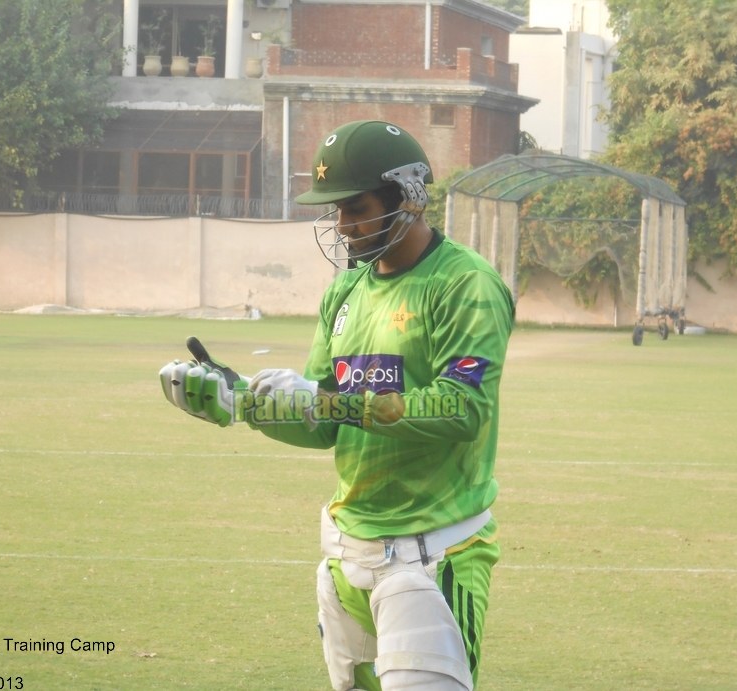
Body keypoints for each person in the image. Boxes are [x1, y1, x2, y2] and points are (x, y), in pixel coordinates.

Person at [159, 120, 515, 691]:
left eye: (356, 208)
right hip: (346, 555)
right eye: (336, 211)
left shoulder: (464, 284)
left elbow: (462, 408)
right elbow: (324, 421)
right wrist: (240, 400)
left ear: (408, 196)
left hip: (432, 555)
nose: (342, 226)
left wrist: (339, 402)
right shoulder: (345, 291)